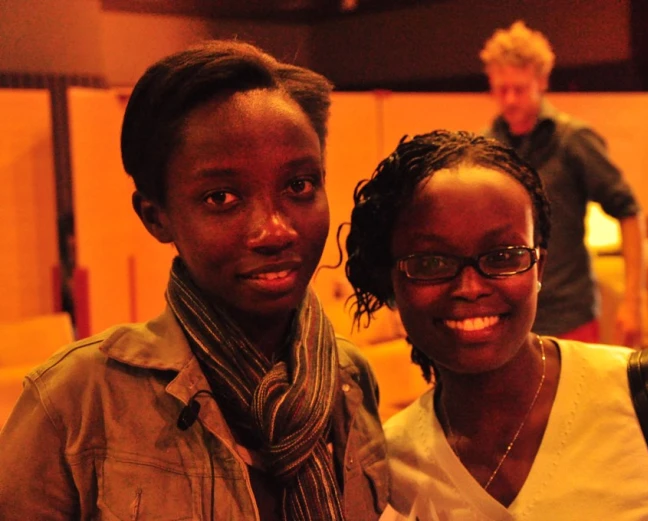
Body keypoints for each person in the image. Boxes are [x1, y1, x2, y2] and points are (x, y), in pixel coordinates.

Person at [0, 41, 388, 520]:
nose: (275, 230)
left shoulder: (349, 380)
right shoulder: (77, 403)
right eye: (222, 197)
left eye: (299, 186)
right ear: (156, 217)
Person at [345, 129, 648, 520]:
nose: (470, 286)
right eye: (432, 262)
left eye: (503, 257)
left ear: (540, 270)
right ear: (391, 281)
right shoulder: (389, 474)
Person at [481, 20, 644, 346]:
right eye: (502, 89)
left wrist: (633, 301)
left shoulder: (574, 140)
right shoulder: (487, 146)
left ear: (542, 81)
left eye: (520, 88)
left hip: (570, 316)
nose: (510, 100)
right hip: (509, 315)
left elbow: (628, 211)